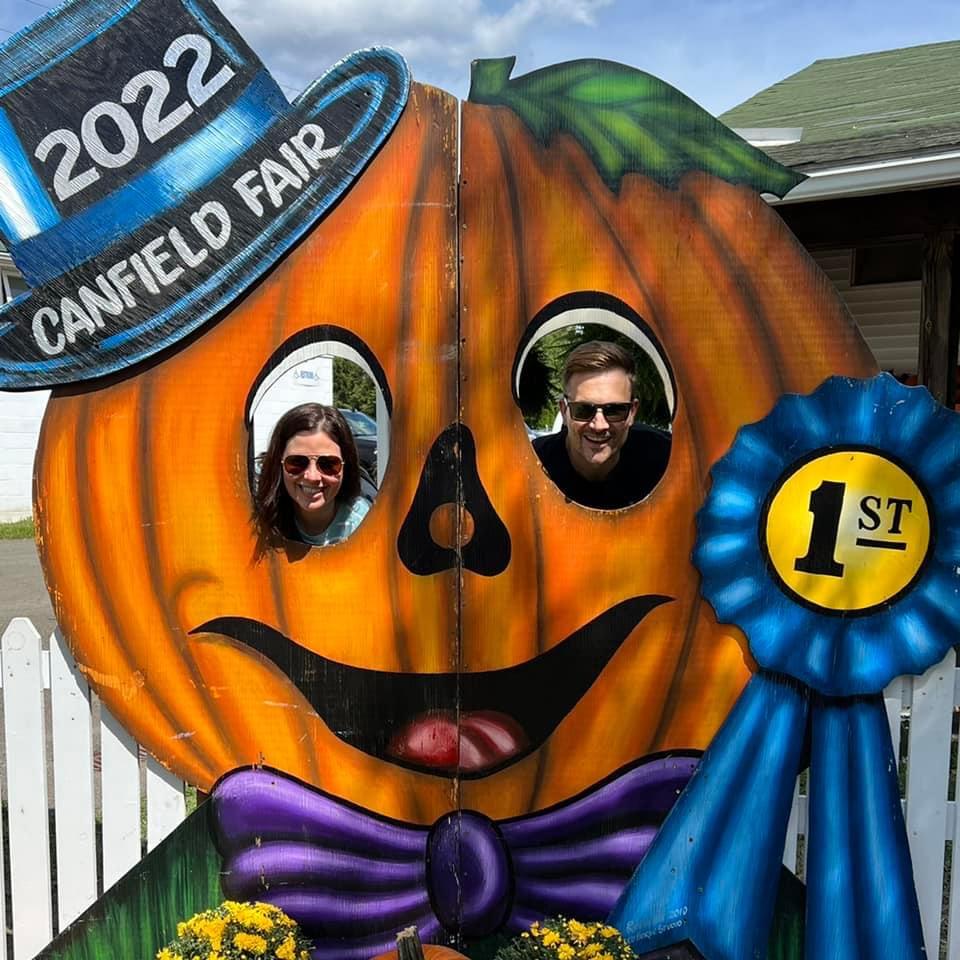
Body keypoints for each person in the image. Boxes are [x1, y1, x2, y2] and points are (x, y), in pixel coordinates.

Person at [533, 341, 670, 509]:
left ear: (632, 412)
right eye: (583, 410)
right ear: (564, 410)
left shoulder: (666, 460)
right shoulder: (533, 465)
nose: (599, 425)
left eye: (614, 410)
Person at [254, 403, 370, 546]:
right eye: (297, 462)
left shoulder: (364, 525)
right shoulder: (257, 521)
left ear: (346, 466)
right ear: (279, 463)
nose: (312, 476)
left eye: (328, 464)